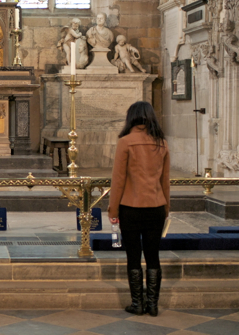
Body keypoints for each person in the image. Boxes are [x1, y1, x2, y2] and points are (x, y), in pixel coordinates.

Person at [108, 101, 170, 317]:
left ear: (131, 117)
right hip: (156, 207)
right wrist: (166, 208)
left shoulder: (126, 142)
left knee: (133, 256)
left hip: (130, 208)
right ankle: (153, 304)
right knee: (153, 256)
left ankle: (138, 304)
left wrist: (113, 210)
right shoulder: (161, 142)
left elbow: (118, 180)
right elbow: (165, 180)